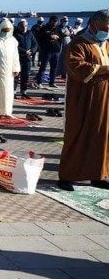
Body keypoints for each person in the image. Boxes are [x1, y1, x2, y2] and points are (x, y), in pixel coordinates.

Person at [57, 10, 109, 192]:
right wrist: (103, 69)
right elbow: (75, 66)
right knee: (78, 134)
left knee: (101, 136)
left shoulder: (106, 44)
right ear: (94, 25)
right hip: (83, 99)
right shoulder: (79, 43)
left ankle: (97, 175)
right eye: (105, 28)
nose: (107, 31)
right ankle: (67, 175)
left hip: (104, 100)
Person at [13, 19, 39, 98]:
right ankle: (13, 92)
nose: (24, 28)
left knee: (25, 75)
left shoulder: (29, 33)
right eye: (22, 26)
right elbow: (14, 46)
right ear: (19, 26)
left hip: (27, 58)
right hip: (18, 58)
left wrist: (32, 51)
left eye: (26, 26)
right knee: (16, 76)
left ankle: (23, 92)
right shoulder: (15, 34)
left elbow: (35, 44)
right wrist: (24, 51)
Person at [37, 16, 62, 88]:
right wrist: (50, 36)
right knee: (43, 67)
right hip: (47, 51)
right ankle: (39, 82)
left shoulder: (58, 28)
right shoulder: (44, 28)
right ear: (50, 21)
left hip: (56, 51)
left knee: (54, 67)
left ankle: (52, 82)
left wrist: (57, 37)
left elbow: (61, 36)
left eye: (56, 22)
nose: (55, 23)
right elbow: (41, 38)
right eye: (54, 22)